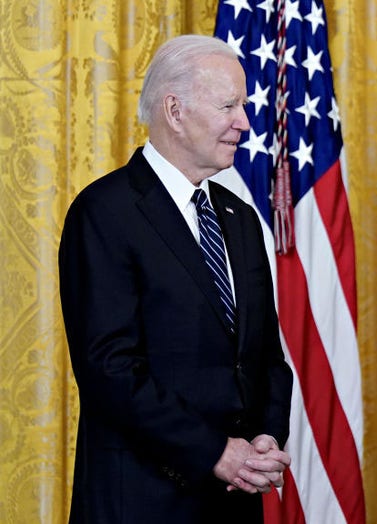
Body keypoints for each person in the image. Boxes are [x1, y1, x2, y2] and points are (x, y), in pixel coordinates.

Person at [59, 35, 293, 522]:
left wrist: (266, 437)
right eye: (229, 105)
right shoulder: (104, 212)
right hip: (144, 503)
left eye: (243, 105)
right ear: (174, 110)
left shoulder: (239, 217)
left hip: (233, 504)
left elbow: (266, 354)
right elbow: (110, 370)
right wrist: (215, 452)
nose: (244, 123)